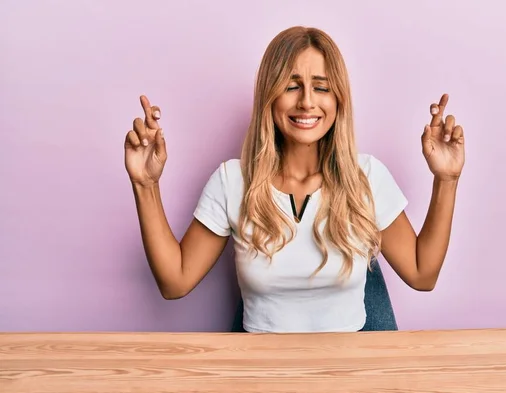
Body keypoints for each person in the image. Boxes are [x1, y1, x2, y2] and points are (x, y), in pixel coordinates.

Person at [124, 26, 465, 333]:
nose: (306, 102)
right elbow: (175, 282)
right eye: (291, 86)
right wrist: (145, 184)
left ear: (338, 99)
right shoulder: (231, 181)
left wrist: (446, 178)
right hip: (263, 375)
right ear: (269, 97)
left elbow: (423, 274)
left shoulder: (368, 177)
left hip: (350, 374)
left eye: (321, 87)